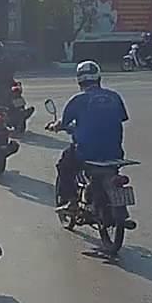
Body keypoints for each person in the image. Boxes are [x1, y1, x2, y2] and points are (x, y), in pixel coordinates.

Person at [48, 61, 131, 217]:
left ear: (79, 81)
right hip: (114, 153)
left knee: (64, 165)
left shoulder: (78, 100)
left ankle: (71, 201)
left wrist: (56, 126)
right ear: (98, 77)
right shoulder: (114, 97)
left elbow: (65, 123)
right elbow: (120, 118)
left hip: (87, 153)